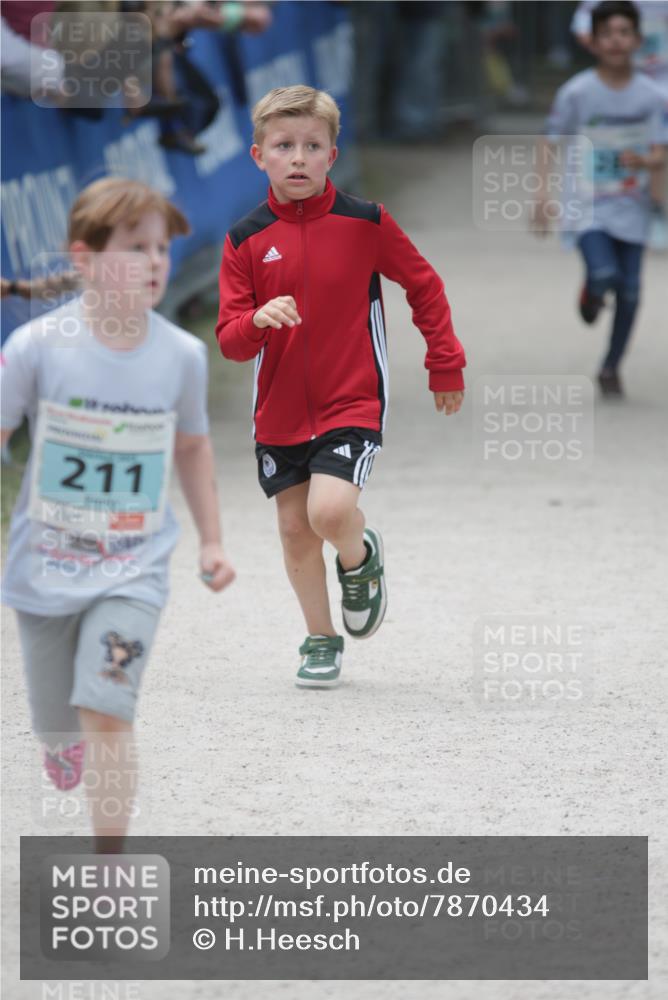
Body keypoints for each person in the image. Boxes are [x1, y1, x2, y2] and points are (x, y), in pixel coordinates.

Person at [1, 178, 236, 853]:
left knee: (105, 709)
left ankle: (109, 867)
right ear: (85, 257)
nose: (156, 262)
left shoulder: (182, 355)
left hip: (133, 567)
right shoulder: (37, 347)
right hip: (45, 569)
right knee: (59, 722)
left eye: (161, 248)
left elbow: (191, 447)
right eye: (136, 248)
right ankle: (60, 745)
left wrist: (212, 541)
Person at [216, 85, 466, 689]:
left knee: (329, 512)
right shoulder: (244, 239)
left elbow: (424, 285)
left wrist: (445, 363)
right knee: (294, 528)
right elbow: (230, 341)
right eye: (284, 146)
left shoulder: (366, 222)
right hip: (278, 411)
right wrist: (256, 320)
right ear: (259, 156)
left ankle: (359, 556)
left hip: (351, 399)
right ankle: (321, 639)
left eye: (312, 146)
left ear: (332, 155)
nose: (298, 158)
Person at [535, 0, 668, 397]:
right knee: (606, 274)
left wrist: (647, 163)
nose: (616, 41)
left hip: (633, 204)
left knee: (631, 292)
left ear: (638, 40)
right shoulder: (577, 92)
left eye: (624, 33)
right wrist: (542, 194)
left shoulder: (653, 97)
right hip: (587, 204)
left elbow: (661, 150)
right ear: (592, 42)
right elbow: (549, 139)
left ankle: (611, 366)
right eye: (607, 34)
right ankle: (592, 290)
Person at [571, 0, 668, 249]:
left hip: (662, 78)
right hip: (621, 75)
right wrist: (614, 41)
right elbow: (582, 27)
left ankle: (655, 206)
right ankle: (616, 208)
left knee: (659, 142)